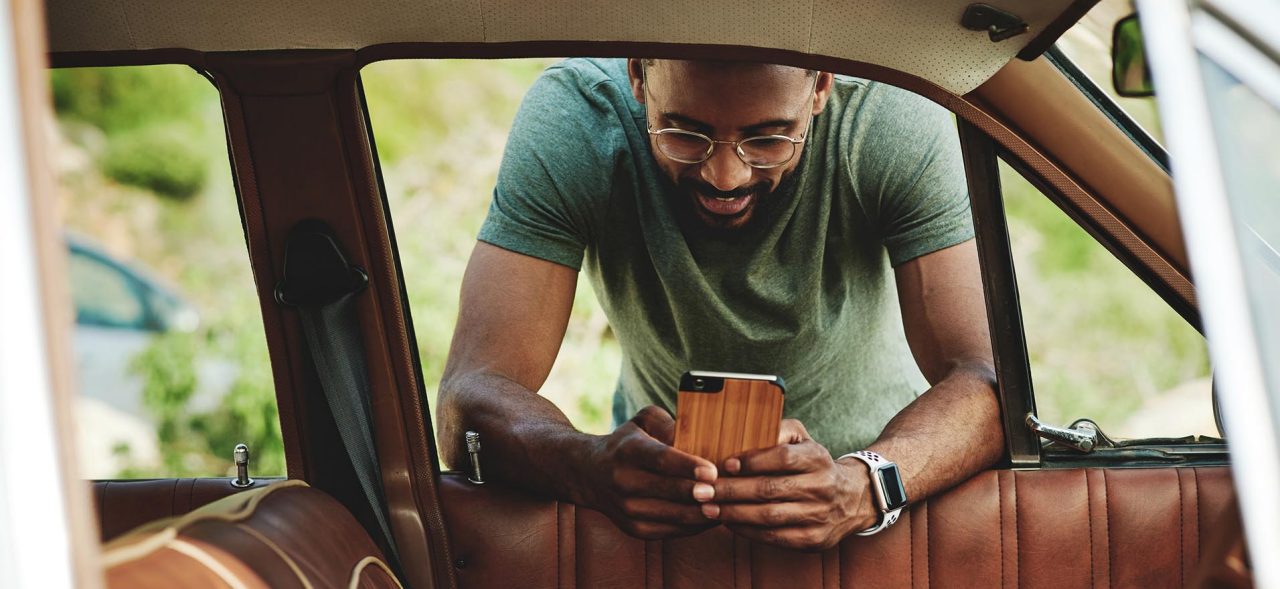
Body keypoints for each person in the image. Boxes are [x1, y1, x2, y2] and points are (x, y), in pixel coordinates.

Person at [437, 57, 1003, 550]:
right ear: (638, 75)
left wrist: (865, 486)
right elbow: (468, 400)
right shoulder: (579, 118)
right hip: (662, 508)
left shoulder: (888, 117)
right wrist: (585, 467)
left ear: (820, 88)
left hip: (880, 492)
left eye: (768, 138)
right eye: (684, 134)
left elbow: (984, 379)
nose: (725, 176)